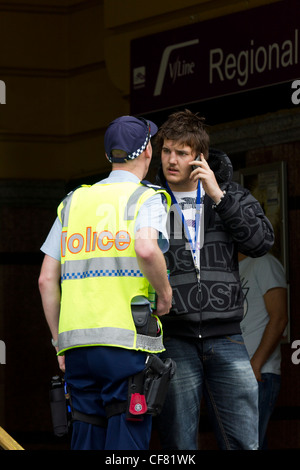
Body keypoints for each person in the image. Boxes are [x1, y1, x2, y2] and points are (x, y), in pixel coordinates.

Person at [38, 115, 173, 451]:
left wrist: (59, 342)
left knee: (85, 437)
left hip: (77, 349)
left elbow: (45, 279)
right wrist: (166, 295)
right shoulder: (147, 198)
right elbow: (146, 248)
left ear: (109, 156)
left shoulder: (72, 202)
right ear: (147, 153)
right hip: (127, 345)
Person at [153, 109, 275, 450]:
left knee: (244, 444)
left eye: (181, 153)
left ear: (200, 158)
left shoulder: (232, 195)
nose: (171, 160)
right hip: (174, 338)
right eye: (166, 151)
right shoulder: (151, 202)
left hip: (228, 338)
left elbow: (261, 243)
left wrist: (219, 196)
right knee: (179, 446)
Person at [239, 252, 288, 449]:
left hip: (258, 373)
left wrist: (255, 364)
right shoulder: (225, 267)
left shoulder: (264, 263)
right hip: (233, 373)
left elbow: (280, 318)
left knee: (249, 443)